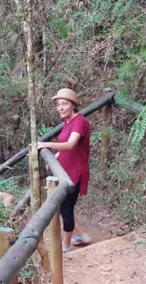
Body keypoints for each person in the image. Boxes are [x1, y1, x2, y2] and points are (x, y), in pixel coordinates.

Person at [37, 88, 91, 252]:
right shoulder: (67, 122)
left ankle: (65, 246)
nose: (60, 108)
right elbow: (66, 147)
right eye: (58, 104)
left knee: (66, 208)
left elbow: (71, 144)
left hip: (75, 171)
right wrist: (56, 158)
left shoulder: (80, 122)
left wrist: (47, 145)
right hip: (64, 169)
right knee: (63, 206)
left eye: (65, 104)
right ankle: (80, 235)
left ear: (73, 105)